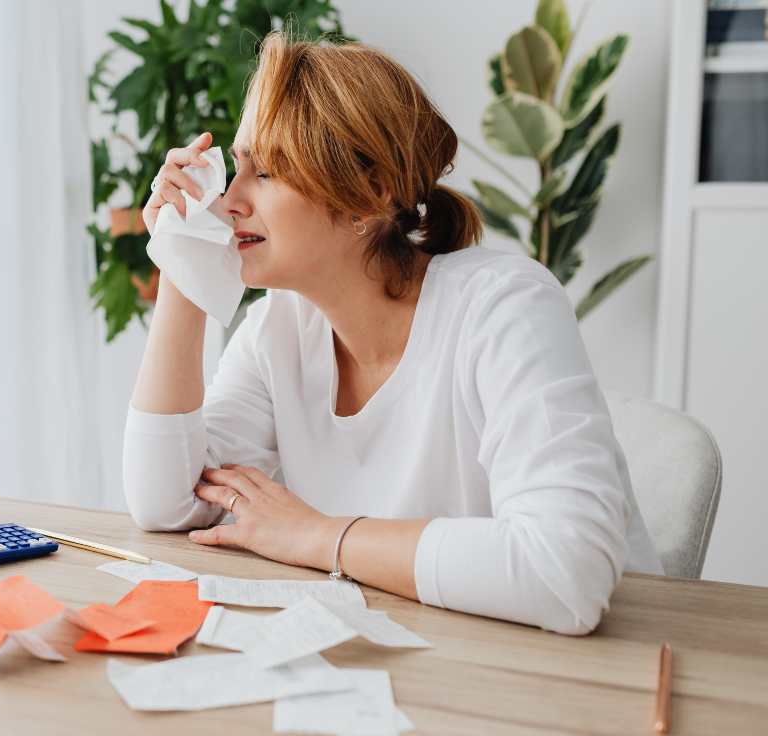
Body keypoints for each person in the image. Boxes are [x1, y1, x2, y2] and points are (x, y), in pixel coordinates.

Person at [122, 33, 662, 636]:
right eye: (238, 168)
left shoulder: (505, 306)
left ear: (371, 195)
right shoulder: (278, 329)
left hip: (604, 682)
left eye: (267, 173)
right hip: (434, 662)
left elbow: (568, 575)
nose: (228, 202)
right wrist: (180, 260)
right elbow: (166, 502)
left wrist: (317, 535)